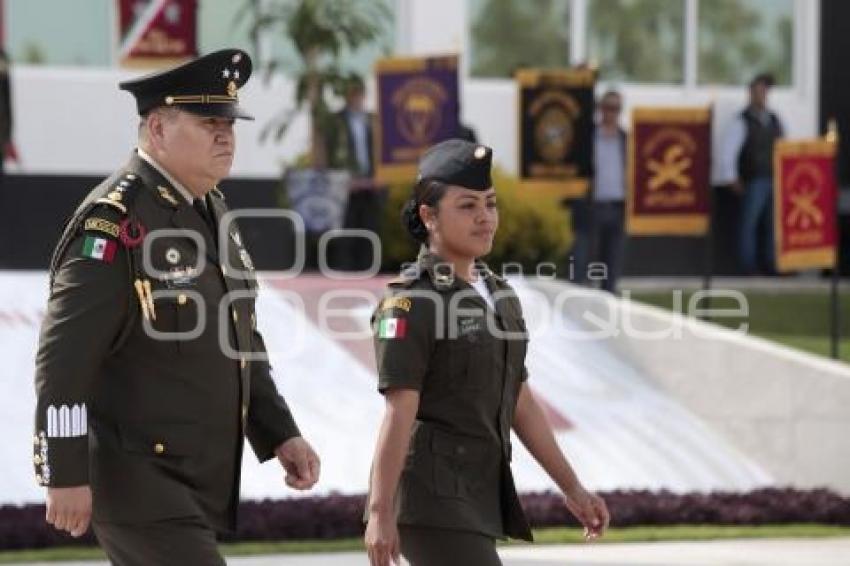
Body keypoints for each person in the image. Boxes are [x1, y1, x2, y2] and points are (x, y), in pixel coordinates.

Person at [33, 49, 320, 565]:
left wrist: (281, 433)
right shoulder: (115, 223)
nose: (226, 135)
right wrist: (64, 471)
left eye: (230, 123)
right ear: (158, 129)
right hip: (137, 479)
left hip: (190, 482)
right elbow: (63, 362)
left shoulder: (213, 210)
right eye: (209, 122)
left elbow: (240, 338)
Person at [364, 139, 609, 566]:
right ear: (429, 216)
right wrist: (379, 512)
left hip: (478, 495)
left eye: (490, 204)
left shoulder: (501, 296)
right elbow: (399, 412)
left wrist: (572, 488)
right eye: (467, 206)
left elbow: (521, 402)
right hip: (432, 501)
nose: (485, 218)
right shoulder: (411, 302)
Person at [719, 72, 785, 275]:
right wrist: (731, 177)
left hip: (773, 178)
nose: (762, 95)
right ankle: (748, 266)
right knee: (749, 224)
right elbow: (728, 151)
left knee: (773, 225)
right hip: (754, 179)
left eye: (765, 91)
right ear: (751, 93)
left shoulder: (774, 120)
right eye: (759, 91)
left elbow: (784, 147)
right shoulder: (742, 120)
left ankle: (772, 263)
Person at [325, 73, 386, 271]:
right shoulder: (335, 121)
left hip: (370, 186)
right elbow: (328, 154)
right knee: (345, 236)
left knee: (370, 234)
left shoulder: (373, 120)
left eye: (359, 93)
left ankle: (368, 275)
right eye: (352, 93)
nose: (356, 97)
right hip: (345, 187)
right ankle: (344, 276)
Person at [570, 89, 628, 294]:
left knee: (611, 266)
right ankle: (572, 304)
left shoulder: (626, 139)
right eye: (607, 107)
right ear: (599, 109)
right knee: (580, 261)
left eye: (616, 108)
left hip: (618, 207)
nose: (611, 112)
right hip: (590, 206)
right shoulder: (587, 138)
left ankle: (608, 307)